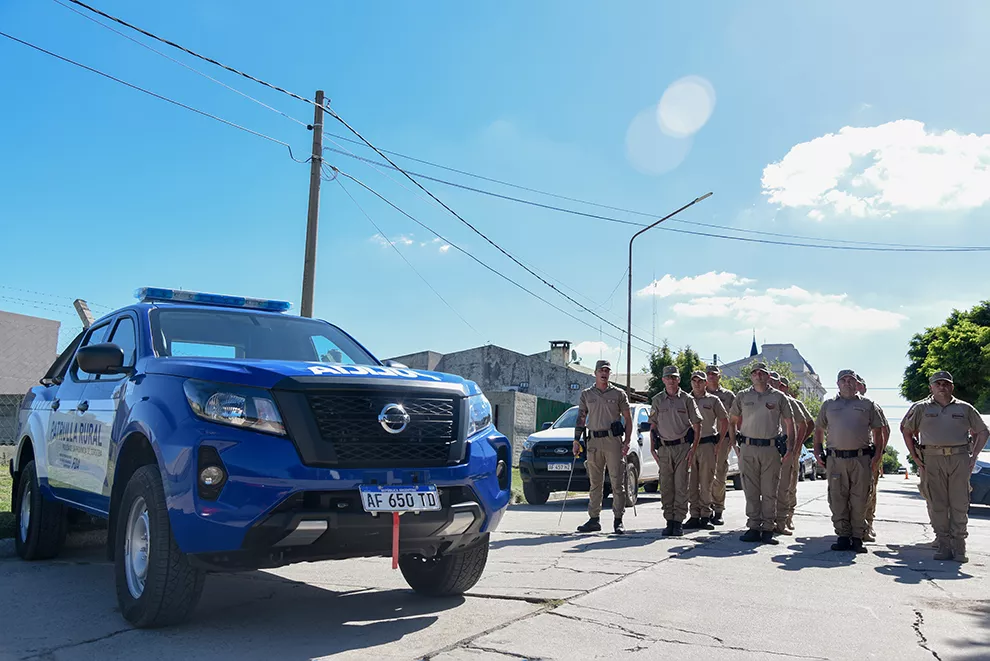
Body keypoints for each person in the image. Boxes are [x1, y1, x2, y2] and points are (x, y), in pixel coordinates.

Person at [901, 371, 989, 562]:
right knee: (937, 503)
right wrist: (915, 457)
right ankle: (943, 544)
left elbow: (983, 431)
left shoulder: (965, 409)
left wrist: (974, 456)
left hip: (959, 458)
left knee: (960, 502)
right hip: (931, 459)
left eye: (946, 383)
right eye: (938, 383)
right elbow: (907, 431)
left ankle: (959, 546)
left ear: (952, 387)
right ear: (931, 387)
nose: (942, 386)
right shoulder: (921, 409)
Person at [814, 369, 884, 553]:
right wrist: (817, 451)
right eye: (843, 380)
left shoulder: (868, 405)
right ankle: (843, 536)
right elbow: (819, 430)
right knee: (837, 498)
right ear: (837, 384)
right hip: (836, 460)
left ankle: (857, 537)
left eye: (851, 380)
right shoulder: (828, 405)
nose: (847, 383)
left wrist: (877, 457)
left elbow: (878, 432)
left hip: (861, 459)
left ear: (856, 383)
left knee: (860, 498)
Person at [728, 362, 795, 545]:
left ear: (768, 376)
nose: (758, 375)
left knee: (769, 490)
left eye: (762, 372)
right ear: (751, 376)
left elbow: (790, 423)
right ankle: (753, 526)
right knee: (750, 490)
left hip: (771, 449)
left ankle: (767, 528)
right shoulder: (743, 396)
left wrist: (790, 448)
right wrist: (735, 445)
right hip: (748, 448)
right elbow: (732, 420)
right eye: (755, 373)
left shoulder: (779, 397)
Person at [574, 359, 634, 535]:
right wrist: (576, 440)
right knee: (595, 482)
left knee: (617, 482)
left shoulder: (618, 394)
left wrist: (627, 441)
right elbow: (581, 418)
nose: (604, 373)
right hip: (593, 441)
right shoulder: (587, 394)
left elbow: (628, 419)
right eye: (601, 370)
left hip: (612, 441)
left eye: (607, 370)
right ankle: (594, 519)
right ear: (595, 373)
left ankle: (618, 520)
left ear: (610, 374)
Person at [650, 364, 703, 536]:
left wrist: (693, 449)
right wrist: (652, 449)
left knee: (681, 485)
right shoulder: (657, 400)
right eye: (668, 377)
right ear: (663, 380)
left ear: (678, 379)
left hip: (682, 448)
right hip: (664, 448)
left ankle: (678, 520)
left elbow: (697, 425)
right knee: (666, 486)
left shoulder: (687, 399)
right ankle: (669, 520)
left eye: (674, 377)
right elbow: (653, 425)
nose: (671, 380)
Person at [686, 370, 730, 530]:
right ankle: (694, 515)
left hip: (707, 445)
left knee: (706, 482)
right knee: (691, 482)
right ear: (691, 382)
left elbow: (725, 420)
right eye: (694, 380)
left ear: (706, 383)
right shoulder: (685, 399)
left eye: (700, 381)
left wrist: (719, 442)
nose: (697, 383)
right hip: (689, 445)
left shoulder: (713, 400)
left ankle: (706, 515)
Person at [774, 375, 814, 535]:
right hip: (772, 450)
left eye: (782, 385)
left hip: (790, 451)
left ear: (786, 387)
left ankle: (787, 516)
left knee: (789, 485)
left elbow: (809, 424)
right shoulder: (768, 401)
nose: (779, 387)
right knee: (771, 485)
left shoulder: (794, 404)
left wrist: (798, 445)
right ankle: (771, 517)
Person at [857, 375, 889, 542]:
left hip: (868, 454)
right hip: (848, 457)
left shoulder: (872, 406)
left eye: (859, 384)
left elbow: (885, 430)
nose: (856, 386)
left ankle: (867, 524)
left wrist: (878, 454)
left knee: (869, 491)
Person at [705, 365, 736, 525]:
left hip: (722, 440)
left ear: (719, 376)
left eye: (713, 374)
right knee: (703, 476)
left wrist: (732, 440)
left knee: (719, 475)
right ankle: (705, 509)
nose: (711, 376)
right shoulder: (697, 394)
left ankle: (718, 509)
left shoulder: (728, 396)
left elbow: (734, 419)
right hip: (703, 441)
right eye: (708, 374)